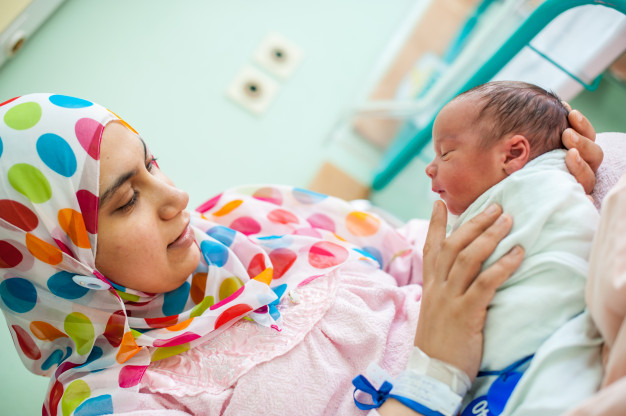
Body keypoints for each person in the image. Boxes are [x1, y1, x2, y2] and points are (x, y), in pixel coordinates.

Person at [0, 93, 603, 416]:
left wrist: (533, 182)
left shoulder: (253, 216)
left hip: (542, 350)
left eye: (152, 165)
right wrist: (436, 372)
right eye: (127, 198)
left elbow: (430, 249)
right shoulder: (111, 401)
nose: (177, 198)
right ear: (56, 260)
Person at [421, 81, 599, 413]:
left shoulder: (536, 188)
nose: (430, 167)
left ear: (513, 154)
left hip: (542, 338)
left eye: (445, 153)